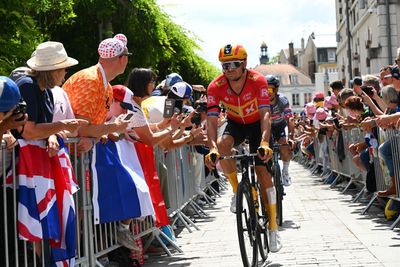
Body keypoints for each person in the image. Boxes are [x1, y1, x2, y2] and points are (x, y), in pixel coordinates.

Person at [205, 44, 281, 252]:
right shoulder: (216, 86)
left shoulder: (258, 80)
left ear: (244, 64)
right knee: (222, 145)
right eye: (224, 65)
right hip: (236, 123)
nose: (228, 69)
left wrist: (265, 143)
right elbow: (211, 121)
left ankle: (273, 227)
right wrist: (212, 148)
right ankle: (237, 191)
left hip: (258, 124)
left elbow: (266, 114)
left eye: (233, 65)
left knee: (262, 172)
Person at [63, 34, 131, 150]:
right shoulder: (90, 81)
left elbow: (95, 129)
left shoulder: (107, 87)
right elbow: (82, 129)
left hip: (74, 156)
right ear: (123, 59)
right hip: (64, 155)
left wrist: (95, 139)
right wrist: (114, 127)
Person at [265, 75, 294, 186]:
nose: (268, 92)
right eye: (265, 89)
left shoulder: (282, 100)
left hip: (279, 126)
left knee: (285, 146)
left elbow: (290, 119)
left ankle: (285, 172)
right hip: (267, 127)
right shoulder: (260, 100)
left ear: (276, 89)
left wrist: (291, 137)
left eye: (270, 89)